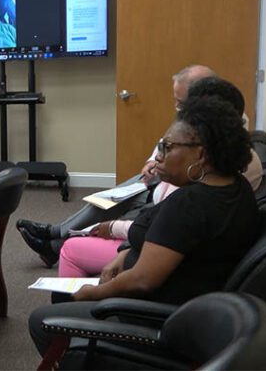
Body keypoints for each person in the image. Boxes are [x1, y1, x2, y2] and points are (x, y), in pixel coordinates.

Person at [28, 95, 260, 354]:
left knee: (42, 321)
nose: (159, 156)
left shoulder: (190, 204)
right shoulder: (236, 188)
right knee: (61, 300)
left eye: (167, 147)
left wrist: (92, 293)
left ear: (201, 154)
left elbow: (142, 280)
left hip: (160, 320)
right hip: (193, 310)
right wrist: (124, 253)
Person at [17, 64, 225, 266]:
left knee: (119, 212)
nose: (177, 108)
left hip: (168, 194)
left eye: (181, 102)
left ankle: (54, 244)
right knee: (106, 201)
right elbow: (164, 144)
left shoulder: (216, 135)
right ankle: (55, 235)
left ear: (201, 98)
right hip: (159, 182)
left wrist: (163, 170)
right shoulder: (191, 117)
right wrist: (152, 161)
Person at [56, 77, 262, 278]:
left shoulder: (191, 199)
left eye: (184, 107)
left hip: (163, 286)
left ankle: (59, 244)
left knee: (72, 249)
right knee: (111, 198)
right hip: (153, 245)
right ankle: (57, 235)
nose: (179, 112)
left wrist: (88, 294)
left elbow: (143, 277)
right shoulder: (229, 179)